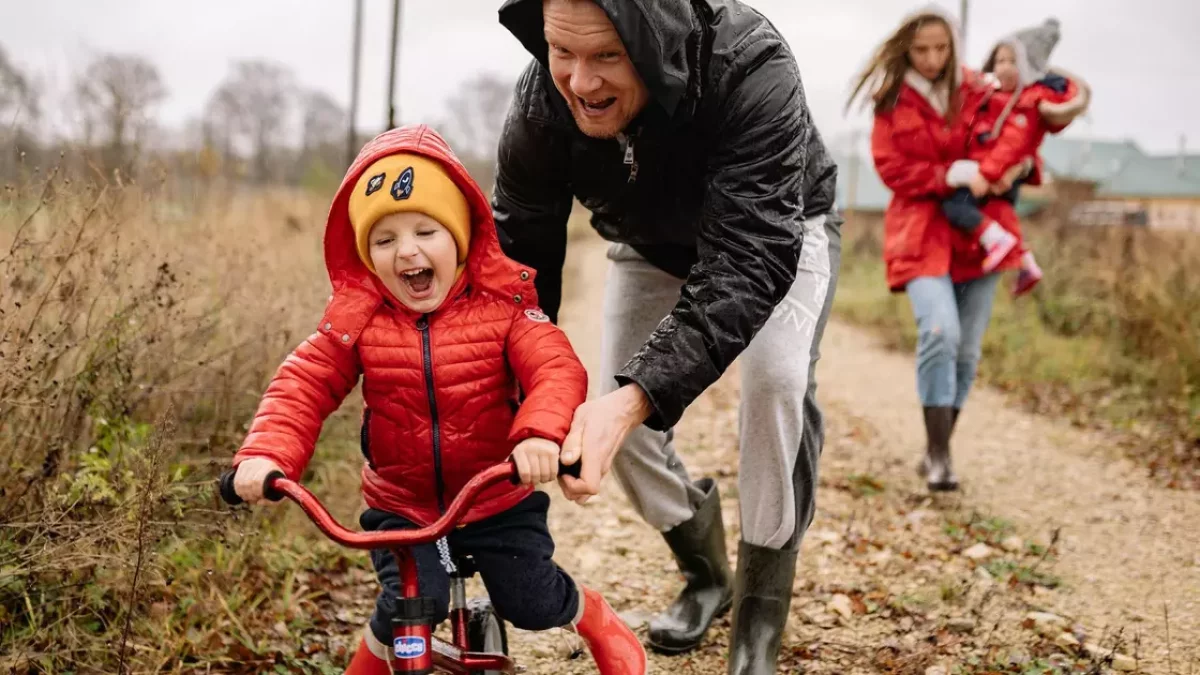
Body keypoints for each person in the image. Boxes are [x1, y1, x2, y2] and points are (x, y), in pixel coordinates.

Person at [493, 0, 841, 671]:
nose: (580, 82)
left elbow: (746, 261)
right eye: (562, 51)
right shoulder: (541, 100)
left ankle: (759, 619)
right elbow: (520, 270)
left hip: (777, 232)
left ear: (653, 41)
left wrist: (635, 396)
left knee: (775, 383)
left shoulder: (752, 65)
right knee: (613, 414)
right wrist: (521, 404)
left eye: (605, 56)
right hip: (648, 241)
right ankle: (707, 572)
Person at [227, 124, 646, 675]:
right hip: (402, 503)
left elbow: (557, 368)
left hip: (496, 495)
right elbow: (302, 385)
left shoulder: (504, 308)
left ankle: (593, 615)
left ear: (461, 237)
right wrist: (267, 456)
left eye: (427, 230)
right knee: (405, 607)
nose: (407, 251)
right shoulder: (357, 319)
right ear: (366, 254)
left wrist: (539, 432)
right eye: (384, 239)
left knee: (532, 601)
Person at [847, 7, 1085, 492]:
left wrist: (1023, 164)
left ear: (953, 46)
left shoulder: (978, 86)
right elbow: (892, 170)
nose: (933, 58)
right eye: (921, 49)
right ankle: (937, 455)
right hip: (920, 232)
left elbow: (1025, 117)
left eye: (941, 48)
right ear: (905, 49)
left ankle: (940, 449)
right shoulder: (890, 99)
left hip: (981, 232)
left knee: (967, 351)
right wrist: (949, 175)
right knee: (940, 332)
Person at [941, 17, 1090, 295]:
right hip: (992, 172)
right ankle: (1025, 262)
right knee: (1001, 214)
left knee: (955, 207)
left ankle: (996, 241)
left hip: (991, 174)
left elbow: (1011, 145)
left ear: (1028, 68)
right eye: (999, 61)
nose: (1004, 68)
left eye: (1012, 61)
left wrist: (987, 175)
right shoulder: (992, 97)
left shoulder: (1024, 105)